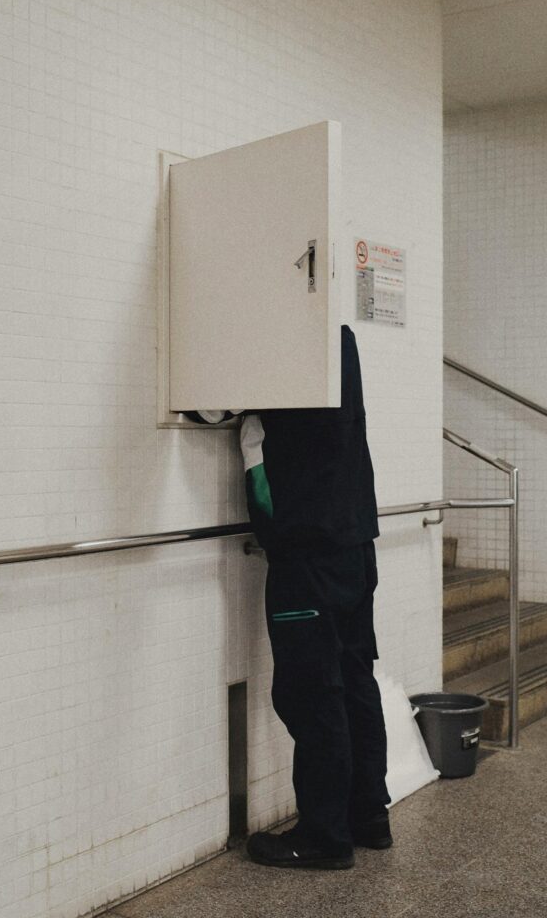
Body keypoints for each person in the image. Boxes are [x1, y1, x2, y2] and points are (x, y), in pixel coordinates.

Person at [184, 325, 390, 870]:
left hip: (305, 547)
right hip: (352, 537)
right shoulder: (337, 329)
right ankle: (369, 815)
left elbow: (205, 409)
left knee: (311, 689)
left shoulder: (276, 331)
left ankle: (325, 835)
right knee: (355, 676)